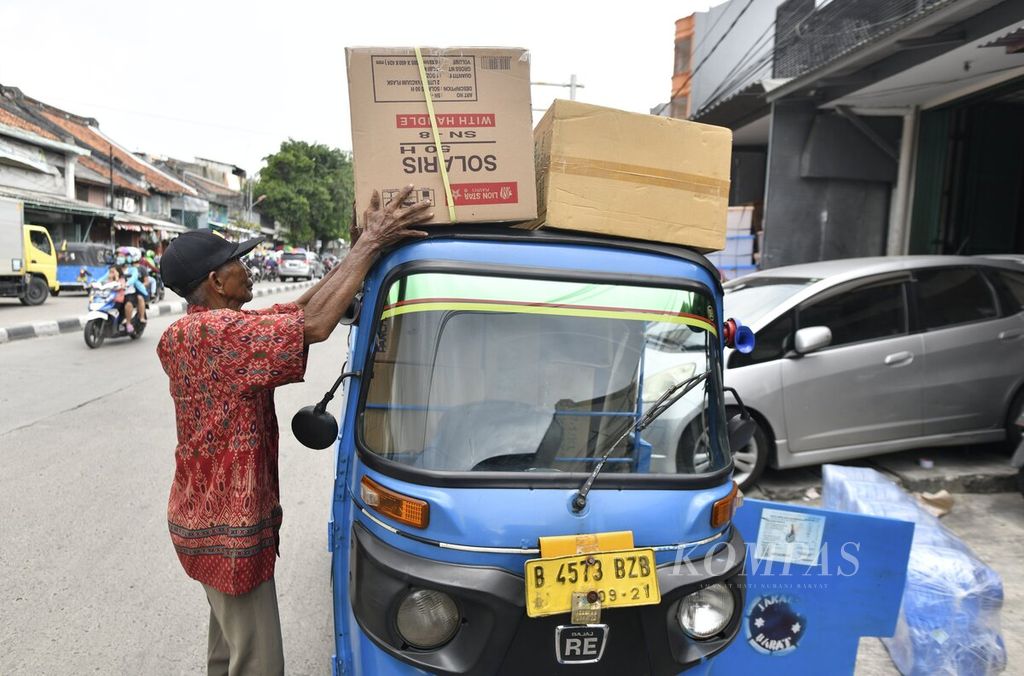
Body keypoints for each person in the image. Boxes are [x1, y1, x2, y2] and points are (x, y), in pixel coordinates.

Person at [157, 185, 431, 676]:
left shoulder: (197, 329)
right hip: (230, 533)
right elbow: (317, 325)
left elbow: (297, 312)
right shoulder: (218, 336)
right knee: (258, 662)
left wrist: (358, 253)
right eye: (239, 263)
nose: (249, 269)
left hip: (201, 521)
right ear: (218, 281)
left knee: (229, 650)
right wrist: (369, 245)